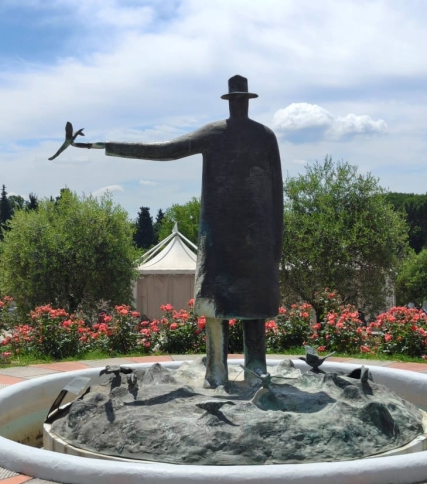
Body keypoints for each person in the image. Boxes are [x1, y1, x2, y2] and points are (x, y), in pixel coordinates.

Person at [74, 75, 283, 387]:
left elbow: (276, 191)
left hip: (244, 236)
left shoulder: (249, 134)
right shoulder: (249, 134)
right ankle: (231, 371)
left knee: (238, 306)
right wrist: (105, 145)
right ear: (240, 101)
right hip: (237, 236)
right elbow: (167, 150)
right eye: (238, 100)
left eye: (239, 100)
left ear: (237, 101)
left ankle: (237, 371)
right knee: (224, 305)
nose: (239, 105)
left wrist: (275, 242)